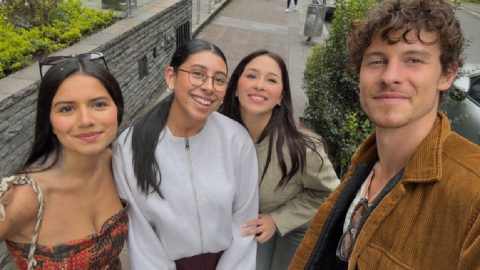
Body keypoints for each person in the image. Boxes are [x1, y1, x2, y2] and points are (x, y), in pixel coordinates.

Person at [288, 0, 480, 269]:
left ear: (447, 74)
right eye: (377, 60)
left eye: (413, 60)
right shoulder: (364, 168)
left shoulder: (474, 195)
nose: (390, 76)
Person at [112, 39, 259, 270]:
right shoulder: (130, 147)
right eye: (198, 73)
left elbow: (245, 221)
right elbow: (141, 235)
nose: (209, 87)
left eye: (219, 79)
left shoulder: (236, 140)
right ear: (171, 77)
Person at [0, 56, 127, 270]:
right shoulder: (23, 197)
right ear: (49, 121)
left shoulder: (117, 164)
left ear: (117, 108)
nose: (86, 120)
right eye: (67, 109)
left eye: (99, 104)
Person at [219, 50, 339, 270]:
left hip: (294, 226)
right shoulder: (214, 134)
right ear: (236, 87)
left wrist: (278, 219)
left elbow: (330, 194)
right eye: (252, 76)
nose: (260, 85)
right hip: (249, 223)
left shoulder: (303, 147)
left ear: (281, 96)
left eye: (271, 80)